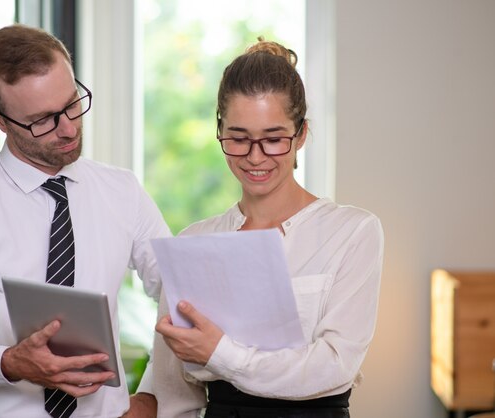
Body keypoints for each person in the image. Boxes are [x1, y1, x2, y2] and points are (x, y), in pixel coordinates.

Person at [0, 24, 164, 418]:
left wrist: (151, 395)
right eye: (43, 120)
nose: (69, 128)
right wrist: (8, 363)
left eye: (73, 103)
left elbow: (179, 295)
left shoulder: (123, 191)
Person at [136, 38, 384, 417]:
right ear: (219, 130)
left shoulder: (352, 232)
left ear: (301, 134)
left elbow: (334, 366)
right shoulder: (194, 242)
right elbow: (173, 390)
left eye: (273, 139)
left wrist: (221, 354)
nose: (255, 157)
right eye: (238, 138)